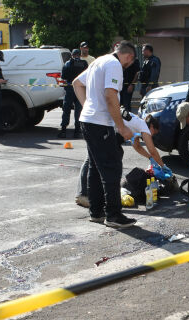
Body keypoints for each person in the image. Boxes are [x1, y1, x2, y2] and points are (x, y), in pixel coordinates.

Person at [72, 40, 137, 228]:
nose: (128, 65)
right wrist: (122, 127)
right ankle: (113, 215)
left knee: (95, 167)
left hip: (88, 120)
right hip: (100, 123)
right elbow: (110, 96)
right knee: (112, 168)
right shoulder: (114, 65)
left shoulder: (98, 61)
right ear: (129, 56)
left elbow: (77, 83)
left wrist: (88, 107)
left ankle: (96, 212)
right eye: (131, 62)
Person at [75, 114, 172, 208]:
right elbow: (152, 150)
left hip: (102, 129)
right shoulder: (143, 126)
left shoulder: (138, 125)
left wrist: (150, 157)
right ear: (151, 126)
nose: (152, 135)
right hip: (101, 128)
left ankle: (97, 193)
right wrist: (163, 166)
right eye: (154, 132)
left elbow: (137, 146)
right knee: (93, 160)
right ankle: (84, 195)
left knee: (112, 156)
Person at [59, 49, 89, 138]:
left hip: (70, 88)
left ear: (72, 55)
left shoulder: (68, 63)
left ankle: (63, 130)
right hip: (80, 89)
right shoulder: (84, 63)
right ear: (80, 55)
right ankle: (77, 131)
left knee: (66, 109)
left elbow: (63, 76)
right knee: (78, 111)